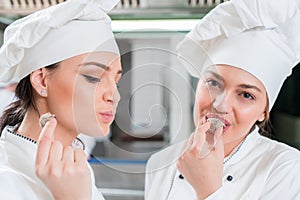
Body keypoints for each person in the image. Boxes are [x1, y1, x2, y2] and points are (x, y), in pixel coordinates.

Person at [145, 0, 300, 199]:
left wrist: (207, 189)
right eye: (213, 83)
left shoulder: (286, 168)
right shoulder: (160, 163)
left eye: (246, 95)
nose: (220, 105)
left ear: (264, 111)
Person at [0, 0, 122, 199]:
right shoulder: (5, 182)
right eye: (93, 77)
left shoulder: (74, 167)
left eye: (116, 80)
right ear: (41, 81)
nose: (113, 96)